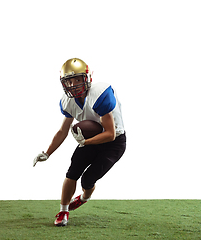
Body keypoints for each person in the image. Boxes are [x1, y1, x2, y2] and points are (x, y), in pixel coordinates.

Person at [33, 58, 126, 226]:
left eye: (77, 79)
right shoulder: (67, 101)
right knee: (72, 172)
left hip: (113, 143)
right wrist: (47, 153)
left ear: (87, 78)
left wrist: (86, 141)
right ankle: (63, 211)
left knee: (87, 180)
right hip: (89, 141)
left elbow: (110, 134)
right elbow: (62, 131)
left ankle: (84, 197)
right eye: (69, 81)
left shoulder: (100, 94)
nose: (73, 84)